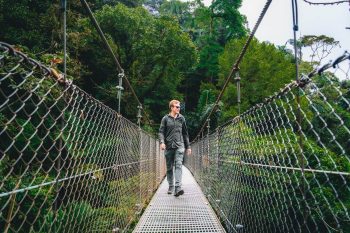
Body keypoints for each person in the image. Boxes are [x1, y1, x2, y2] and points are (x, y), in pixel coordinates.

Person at [159, 100, 191, 197]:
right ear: (172, 108)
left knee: (178, 165)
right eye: (177, 107)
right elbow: (161, 132)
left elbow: (185, 133)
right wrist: (162, 142)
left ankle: (178, 188)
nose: (178, 108)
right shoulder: (165, 119)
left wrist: (188, 146)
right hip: (168, 146)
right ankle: (171, 186)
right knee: (169, 167)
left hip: (179, 145)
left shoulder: (182, 119)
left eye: (179, 107)